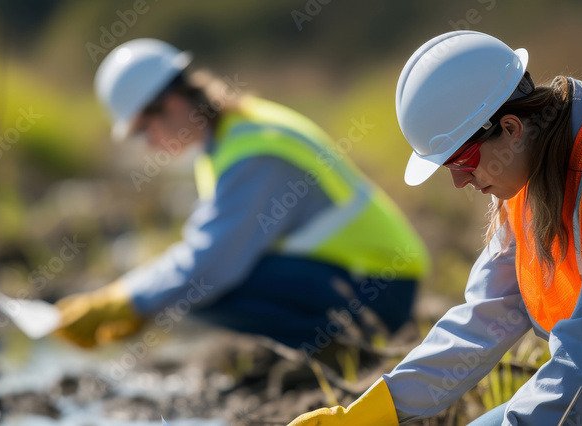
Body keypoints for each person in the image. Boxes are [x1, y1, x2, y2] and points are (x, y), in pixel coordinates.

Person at [290, 30, 582, 425]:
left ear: (510, 127)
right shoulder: (527, 169)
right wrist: (374, 411)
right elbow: (482, 321)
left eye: (461, 161)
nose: (459, 181)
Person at [54, 38, 430, 361]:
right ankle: (321, 350)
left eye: (141, 130)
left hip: (380, 289)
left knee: (204, 290)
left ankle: (346, 353)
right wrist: (140, 300)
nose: (148, 144)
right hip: (362, 277)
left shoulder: (253, 154)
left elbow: (208, 263)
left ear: (170, 104)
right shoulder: (234, 133)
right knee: (196, 287)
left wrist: (126, 299)